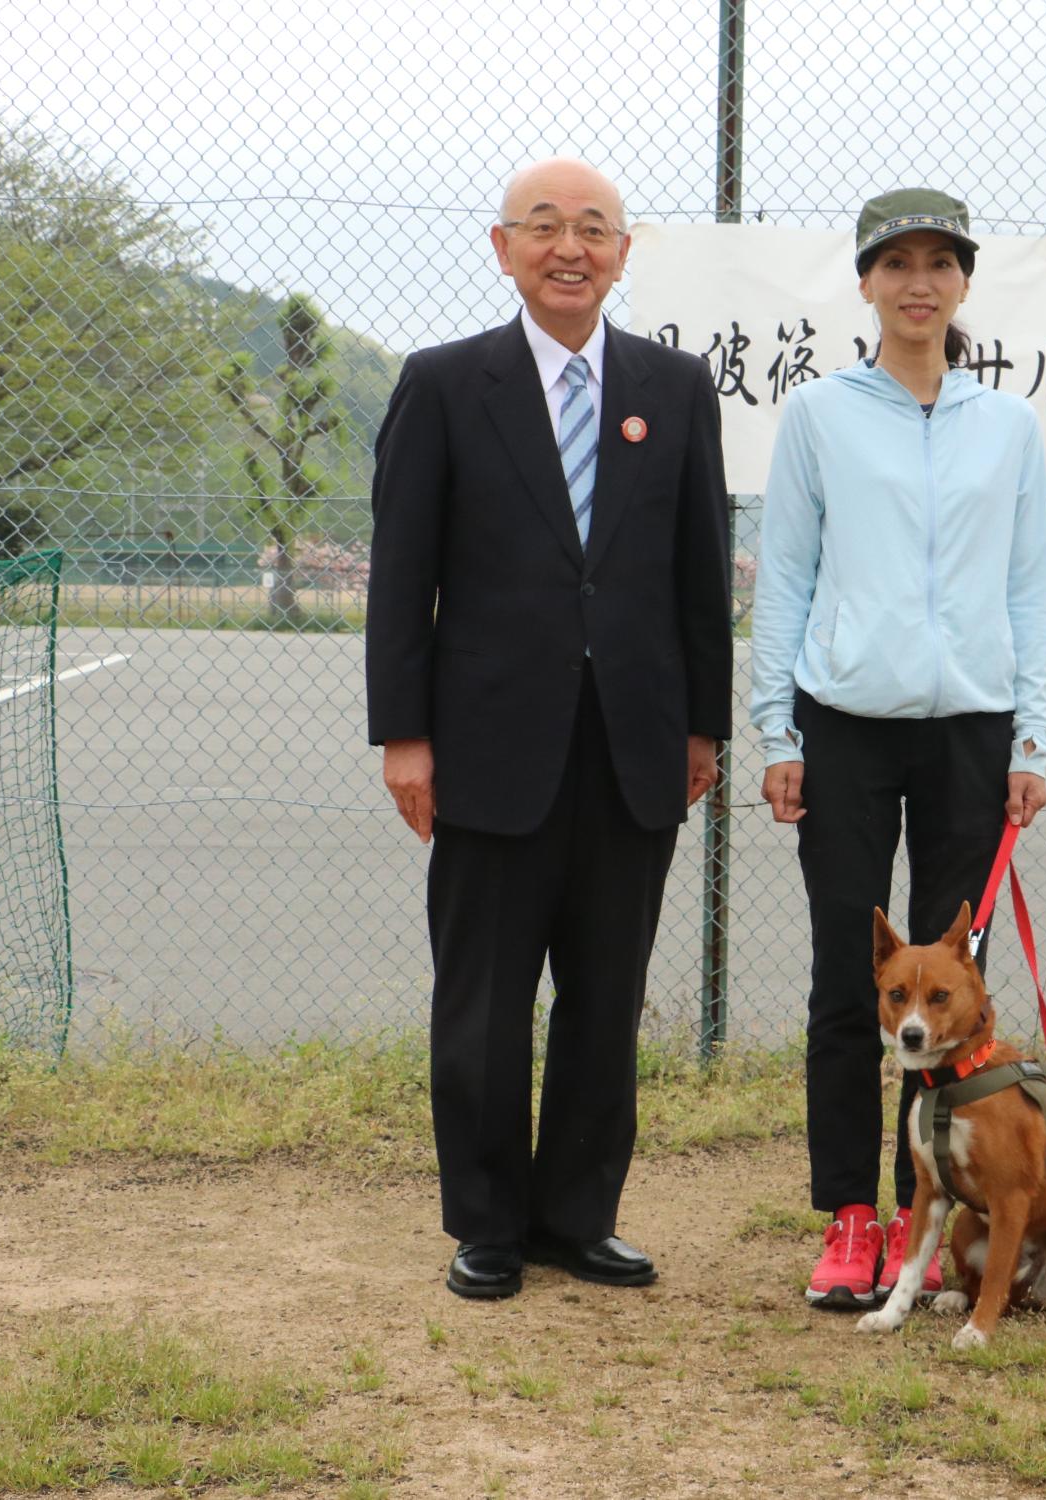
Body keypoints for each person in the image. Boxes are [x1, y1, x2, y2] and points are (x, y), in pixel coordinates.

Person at [366, 158, 731, 1300]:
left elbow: (696, 576)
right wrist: (403, 735)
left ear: (623, 252)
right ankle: (487, 1222)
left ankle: (577, 1215)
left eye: (593, 230)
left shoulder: (673, 389)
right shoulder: (442, 384)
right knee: (480, 998)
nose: (568, 248)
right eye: (544, 228)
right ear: (502, 246)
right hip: (484, 746)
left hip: (633, 746)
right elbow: (401, 579)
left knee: (605, 993)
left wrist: (703, 727)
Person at [750, 188, 1046, 1310]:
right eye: (896, 263)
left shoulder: (1005, 428)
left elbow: (1029, 588)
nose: (917, 283)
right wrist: (777, 729)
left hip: (970, 735)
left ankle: (926, 1220)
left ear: (963, 283)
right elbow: (782, 577)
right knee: (852, 978)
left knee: (954, 993)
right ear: (867, 282)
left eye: (939, 263)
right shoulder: (823, 416)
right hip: (844, 728)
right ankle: (849, 1220)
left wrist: (1031, 734)